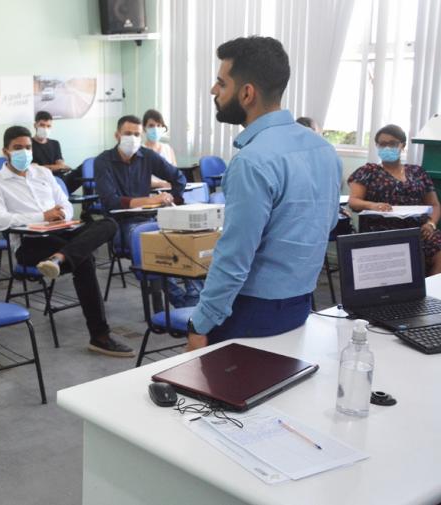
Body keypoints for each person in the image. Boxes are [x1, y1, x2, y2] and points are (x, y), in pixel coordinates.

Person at [186, 36, 341, 350]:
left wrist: (200, 324)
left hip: (250, 312)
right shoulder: (325, 150)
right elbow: (326, 226)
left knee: (224, 396)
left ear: (246, 93)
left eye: (221, 83)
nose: (214, 91)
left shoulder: (252, 161)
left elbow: (234, 259)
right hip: (300, 305)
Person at [0, 125, 131, 357]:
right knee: (84, 260)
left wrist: (61, 214)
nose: (24, 152)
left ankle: (60, 258)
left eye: (28, 147)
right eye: (17, 148)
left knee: (108, 223)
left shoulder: (43, 173)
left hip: (62, 233)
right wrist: (42, 217)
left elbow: (67, 204)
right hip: (30, 243)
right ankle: (100, 336)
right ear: (6, 151)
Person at [93, 115, 198, 307]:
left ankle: (193, 299)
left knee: (186, 241)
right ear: (117, 135)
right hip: (122, 224)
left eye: (136, 134)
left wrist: (173, 199)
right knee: (158, 249)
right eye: (127, 134)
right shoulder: (103, 161)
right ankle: (184, 305)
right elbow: (111, 201)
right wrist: (150, 200)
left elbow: (178, 178)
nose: (132, 138)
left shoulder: (146, 155)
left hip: (151, 218)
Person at [348, 124, 441, 274]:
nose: (387, 148)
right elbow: (354, 201)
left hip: (418, 230)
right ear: (377, 146)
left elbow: (434, 205)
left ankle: (431, 294)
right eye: (382, 144)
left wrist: (431, 224)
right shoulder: (368, 171)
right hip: (382, 231)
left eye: (392, 143)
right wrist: (372, 205)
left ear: (402, 145)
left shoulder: (417, 172)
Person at [32, 110, 83, 194]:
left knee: (83, 169)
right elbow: (33, 169)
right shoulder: (28, 144)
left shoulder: (55, 143)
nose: (45, 128)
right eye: (42, 125)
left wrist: (54, 167)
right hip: (42, 183)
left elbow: (60, 164)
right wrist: (57, 167)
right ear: (35, 125)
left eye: (48, 126)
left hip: (60, 180)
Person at [142, 109, 178, 190]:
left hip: (169, 193)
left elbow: (176, 176)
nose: (155, 129)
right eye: (151, 125)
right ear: (144, 128)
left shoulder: (168, 149)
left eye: (158, 125)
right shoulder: (139, 151)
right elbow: (137, 180)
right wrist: (161, 184)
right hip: (148, 194)